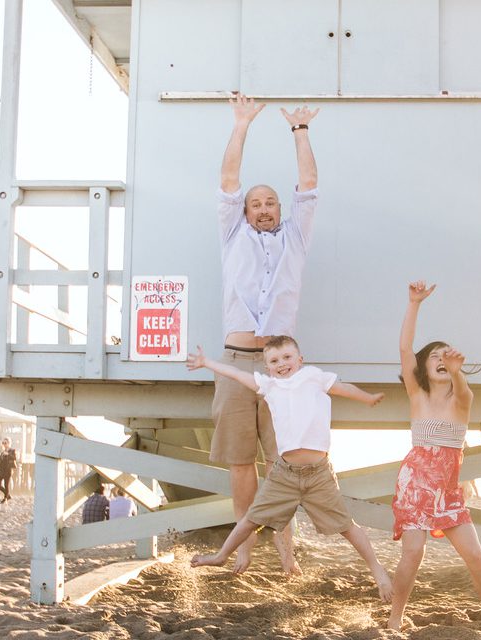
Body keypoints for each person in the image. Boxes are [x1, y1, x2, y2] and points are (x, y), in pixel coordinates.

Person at [206, 94, 320, 574]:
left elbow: (308, 185)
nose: (264, 208)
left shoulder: (296, 235)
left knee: (283, 461)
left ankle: (287, 551)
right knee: (240, 462)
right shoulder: (233, 233)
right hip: (236, 360)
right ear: (245, 211)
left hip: (280, 367)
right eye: (256, 203)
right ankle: (244, 549)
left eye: (271, 202)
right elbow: (228, 180)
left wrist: (300, 131)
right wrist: (242, 125)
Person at [187, 337, 393, 602]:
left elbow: (342, 388)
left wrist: (367, 397)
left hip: (318, 474)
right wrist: (207, 363)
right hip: (284, 474)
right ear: (267, 367)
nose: (282, 364)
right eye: (274, 361)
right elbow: (236, 374)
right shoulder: (270, 386)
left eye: (287, 357)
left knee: (346, 526)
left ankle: (377, 569)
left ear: (300, 359)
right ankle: (221, 556)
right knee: (250, 519)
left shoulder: (313, 377)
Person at [387, 281, 481, 629]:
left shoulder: (461, 400)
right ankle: (394, 621)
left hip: (448, 491)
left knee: (475, 554)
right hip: (415, 483)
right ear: (423, 369)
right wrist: (414, 303)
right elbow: (405, 348)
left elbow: (464, 390)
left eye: (446, 356)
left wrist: (456, 371)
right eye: (434, 357)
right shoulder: (417, 396)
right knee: (413, 553)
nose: (440, 360)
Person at [0, 438, 18, 503]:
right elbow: (0, 461)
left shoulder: (12, 450)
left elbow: (15, 458)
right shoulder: (3, 451)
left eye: (5, 443)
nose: (4, 444)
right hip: (1, 470)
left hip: (8, 470)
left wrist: (8, 454)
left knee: (6, 484)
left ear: (9, 443)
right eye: (3, 443)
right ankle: (7, 495)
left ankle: (5, 498)